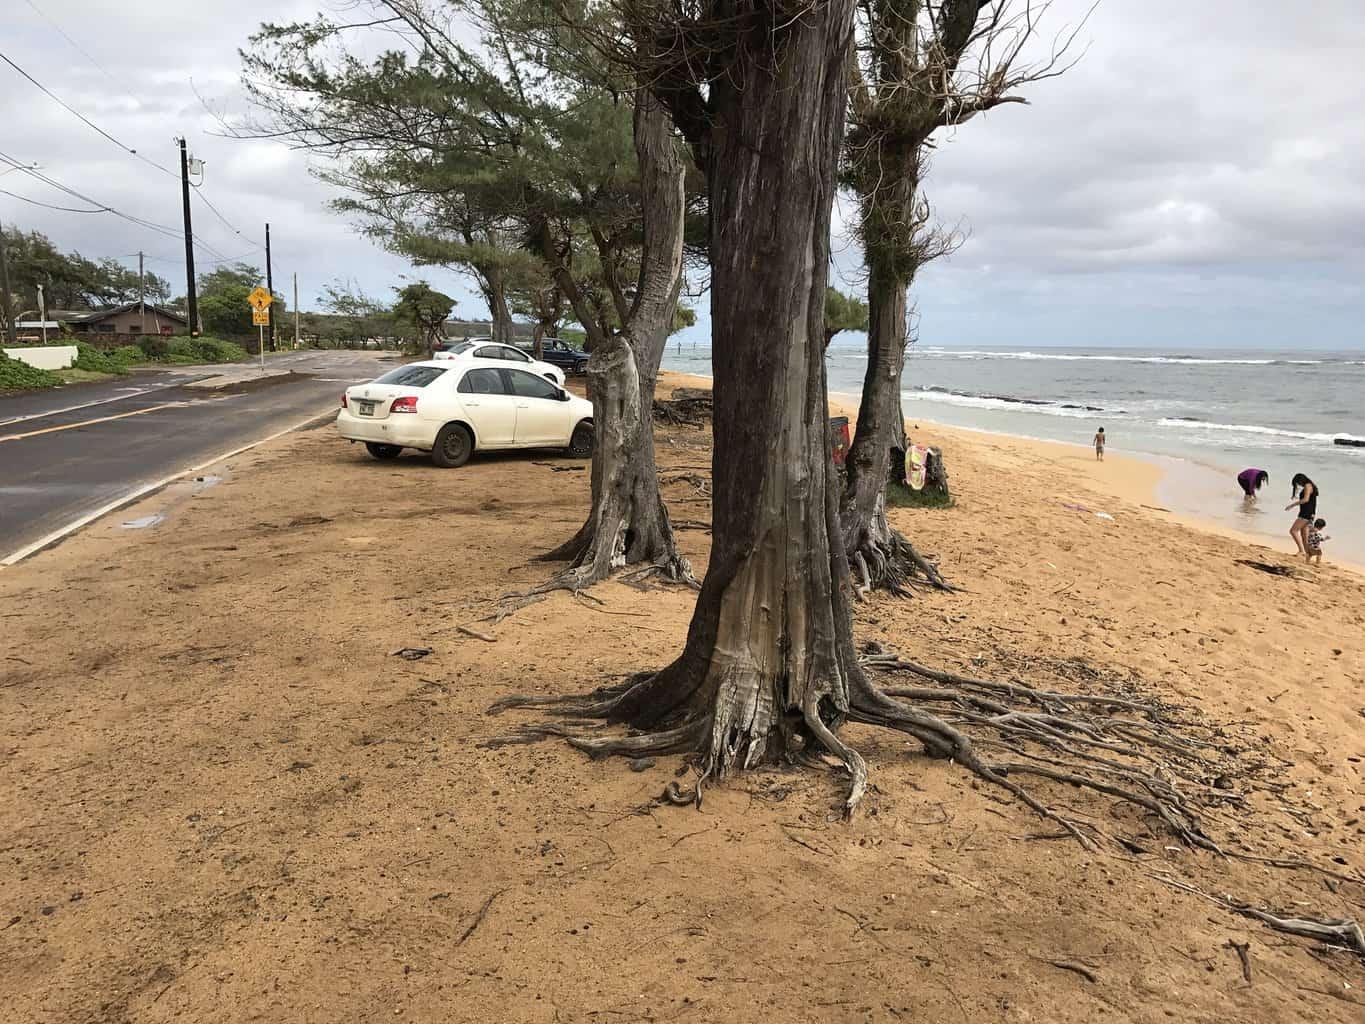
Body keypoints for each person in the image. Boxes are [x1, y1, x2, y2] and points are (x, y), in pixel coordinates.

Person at [1285, 473, 1319, 557]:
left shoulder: (1308, 485)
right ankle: (1308, 553)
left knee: (1293, 531)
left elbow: (1306, 499)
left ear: (1301, 480)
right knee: (1304, 535)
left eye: (1298, 482)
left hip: (1306, 513)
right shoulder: (1311, 486)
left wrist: (1292, 505)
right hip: (1310, 513)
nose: (1299, 484)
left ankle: (1301, 551)